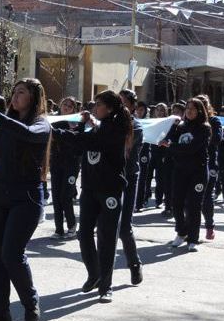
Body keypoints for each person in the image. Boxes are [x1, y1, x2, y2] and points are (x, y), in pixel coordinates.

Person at [0, 78, 50, 321]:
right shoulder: (1, 125)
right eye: (14, 92)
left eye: (21, 92)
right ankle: (0, 314)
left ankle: (30, 301)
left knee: (11, 253)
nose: (15, 96)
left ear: (33, 97)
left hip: (26, 197)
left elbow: (27, 134)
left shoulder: (40, 124)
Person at [52, 90, 132, 303]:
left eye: (98, 104)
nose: (94, 108)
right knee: (84, 233)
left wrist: (56, 133)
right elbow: (80, 145)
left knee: (106, 238)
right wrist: (78, 126)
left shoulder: (116, 128)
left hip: (110, 190)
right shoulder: (98, 126)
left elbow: (88, 141)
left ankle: (106, 285)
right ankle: (94, 274)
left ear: (110, 108)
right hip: (90, 188)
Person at [162, 98, 211, 251]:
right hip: (180, 170)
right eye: (187, 108)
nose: (189, 111)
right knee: (176, 203)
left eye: (193, 109)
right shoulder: (181, 127)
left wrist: (172, 146)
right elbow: (168, 141)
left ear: (199, 111)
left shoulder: (204, 128)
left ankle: (193, 239)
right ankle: (181, 232)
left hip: (198, 172)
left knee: (193, 206)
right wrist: (173, 128)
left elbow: (190, 148)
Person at [116, 89, 144, 286]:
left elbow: (127, 153)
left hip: (128, 179)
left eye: (124, 102)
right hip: (108, 180)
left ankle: (134, 264)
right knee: (104, 228)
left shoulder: (136, 127)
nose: (120, 106)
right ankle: (99, 274)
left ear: (133, 106)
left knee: (125, 227)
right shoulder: (108, 124)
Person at [49, 96, 81, 240]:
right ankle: (59, 229)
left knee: (65, 196)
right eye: (64, 104)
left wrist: (72, 127)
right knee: (56, 196)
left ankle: (72, 226)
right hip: (56, 162)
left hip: (71, 164)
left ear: (74, 109)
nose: (66, 107)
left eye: (70, 106)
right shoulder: (53, 121)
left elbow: (79, 142)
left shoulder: (77, 122)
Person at [197, 95, 222, 241]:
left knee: (207, 197)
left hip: (210, 164)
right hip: (192, 164)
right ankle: (187, 229)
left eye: (203, 105)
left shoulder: (214, 121)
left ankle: (209, 226)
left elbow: (217, 139)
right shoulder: (190, 121)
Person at [148, 103, 168, 210]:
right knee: (147, 177)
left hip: (162, 153)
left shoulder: (168, 123)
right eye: (158, 110)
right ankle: (145, 198)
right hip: (151, 152)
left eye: (162, 110)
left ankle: (159, 200)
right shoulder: (152, 122)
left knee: (160, 178)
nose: (159, 112)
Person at [133, 100, 152, 211]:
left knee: (142, 179)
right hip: (134, 152)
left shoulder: (149, 122)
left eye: (141, 110)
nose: (139, 112)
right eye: (137, 109)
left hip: (144, 152)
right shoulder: (132, 121)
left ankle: (139, 202)